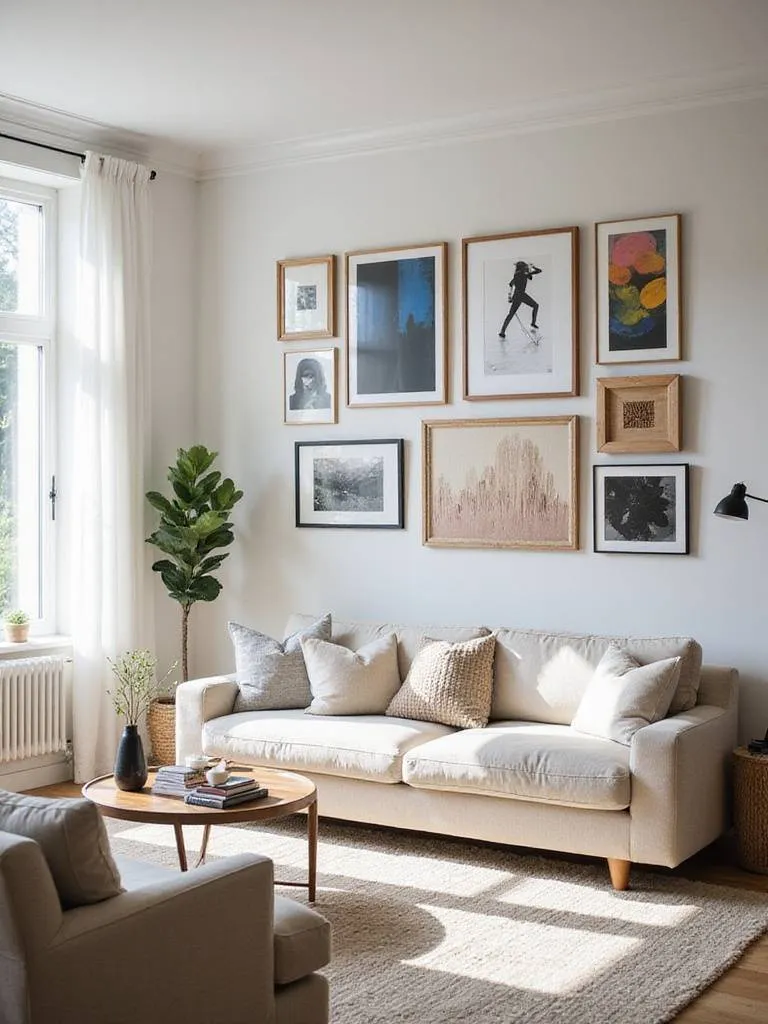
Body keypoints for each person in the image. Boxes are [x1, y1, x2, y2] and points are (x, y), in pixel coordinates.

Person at [498, 261, 542, 338]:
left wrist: (510, 296)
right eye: (524, 267)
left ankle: (502, 331)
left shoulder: (517, 274)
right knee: (535, 305)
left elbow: (511, 284)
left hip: (516, 296)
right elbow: (539, 271)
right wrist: (533, 267)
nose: (526, 268)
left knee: (510, 314)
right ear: (522, 267)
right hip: (521, 295)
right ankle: (533, 323)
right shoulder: (523, 274)